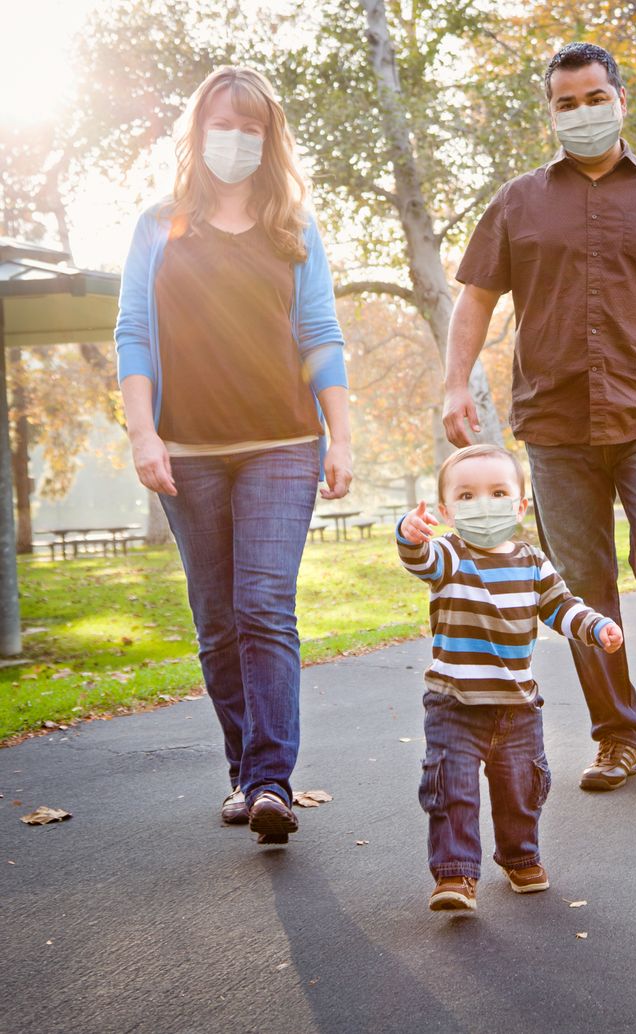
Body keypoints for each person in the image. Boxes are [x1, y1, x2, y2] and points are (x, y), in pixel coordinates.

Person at [443, 43, 636, 796]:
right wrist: (456, 382)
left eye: (592, 98)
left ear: (619, 100)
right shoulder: (519, 201)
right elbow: (477, 297)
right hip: (555, 426)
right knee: (582, 589)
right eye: (564, 103)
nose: (579, 113)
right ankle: (617, 737)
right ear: (550, 111)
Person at [115, 66, 352, 845]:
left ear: (270, 138)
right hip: (186, 450)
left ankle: (271, 780)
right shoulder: (158, 225)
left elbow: (319, 334)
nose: (237, 140)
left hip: (283, 443)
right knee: (217, 620)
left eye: (253, 129)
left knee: (261, 605)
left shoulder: (294, 228)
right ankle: (245, 774)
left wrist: (340, 435)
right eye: (224, 124)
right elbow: (134, 337)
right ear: (197, 130)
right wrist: (143, 433)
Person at [396, 444, 623, 911]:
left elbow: (560, 606)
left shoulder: (531, 562)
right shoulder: (451, 555)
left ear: (520, 504)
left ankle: (520, 856)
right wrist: (409, 535)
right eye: (467, 495)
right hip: (454, 704)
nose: (484, 504)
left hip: (517, 706)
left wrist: (596, 626)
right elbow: (420, 560)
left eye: (498, 492)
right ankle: (455, 875)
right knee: (451, 789)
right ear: (446, 510)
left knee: (521, 788)